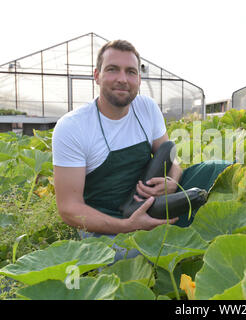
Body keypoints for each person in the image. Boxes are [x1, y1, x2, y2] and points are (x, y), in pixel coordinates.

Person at [52, 40, 230, 260]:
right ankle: (177, 236)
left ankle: (179, 231)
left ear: (139, 79)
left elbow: (170, 156)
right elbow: (69, 209)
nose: (122, 79)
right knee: (137, 255)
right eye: (112, 69)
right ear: (96, 75)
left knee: (220, 169)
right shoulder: (72, 127)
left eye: (131, 72)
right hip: (105, 220)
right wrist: (128, 225)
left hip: (151, 201)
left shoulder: (146, 107)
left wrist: (173, 180)